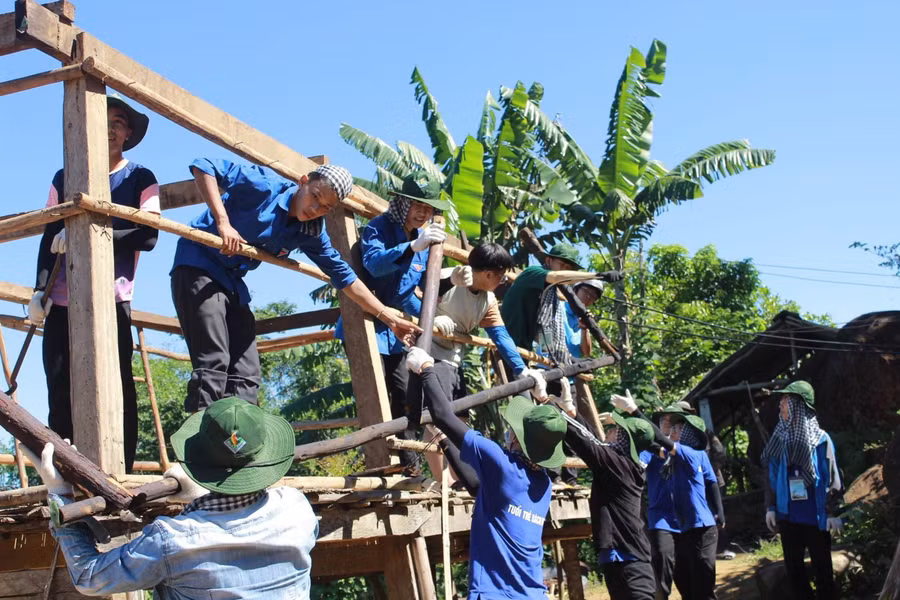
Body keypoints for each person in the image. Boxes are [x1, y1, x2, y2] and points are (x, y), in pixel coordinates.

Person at [170, 158, 421, 412]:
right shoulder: (264, 185)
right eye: (315, 197)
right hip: (198, 265)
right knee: (214, 359)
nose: (315, 209)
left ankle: (237, 432)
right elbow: (204, 165)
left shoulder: (310, 232)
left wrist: (389, 318)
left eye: (325, 207)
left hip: (233, 280)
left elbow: (345, 277)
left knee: (247, 372)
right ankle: (201, 430)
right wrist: (222, 222)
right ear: (303, 182)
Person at [24, 396, 318, 598]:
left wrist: (60, 492)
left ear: (198, 463)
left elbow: (90, 577)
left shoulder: (171, 541)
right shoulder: (297, 509)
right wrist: (203, 495)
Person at [29, 93, 160, 474]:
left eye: (118, 123)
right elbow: (49, 234)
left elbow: (148, 235)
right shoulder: (64, 177)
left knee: (118, 385)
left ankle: (121, 472)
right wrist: (38, 290)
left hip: (111, 297)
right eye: (104, 121)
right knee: (60, 388)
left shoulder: (141, 178)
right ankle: (66, 473)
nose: (110, 130)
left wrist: (87, 233)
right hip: (62, 298)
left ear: (128, 133)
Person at [406, 346, 566, 599]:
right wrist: (444, 441)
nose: (509, 432)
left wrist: (426, 368)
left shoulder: (500, 463)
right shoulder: (543, 485)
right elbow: (476, 487)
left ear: (517, 440)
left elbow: (442, 414)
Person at [334, 170, 449, 465]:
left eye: (428, 208)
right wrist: (411, 248)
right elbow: (374, 265)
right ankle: (380, 463)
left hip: (397, 333)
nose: (423, 213)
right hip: (366, 324)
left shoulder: (423, 241)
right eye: (417, 205)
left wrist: (432, 317)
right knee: (375, 394)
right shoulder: (379, 227)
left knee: (406, 394)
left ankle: (409, 463)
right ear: (402, 203)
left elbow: (406, 293)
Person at [613, 394, 724, 600]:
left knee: (701, 584)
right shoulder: (668, 452)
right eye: (666, 421)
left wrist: (634, 410)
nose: (670, 427)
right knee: (680, 575)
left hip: (697, 526)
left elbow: (711, 481)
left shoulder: (689, 454)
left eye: (676, 425)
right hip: (675, 523)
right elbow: (648, 451)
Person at [554, 384, 656, 600]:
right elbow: (594, 442)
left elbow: (587, 444)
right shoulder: (623, 463)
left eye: (615, 430)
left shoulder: (618, 466)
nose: (609, 432)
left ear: (623, 440)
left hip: (632, 563)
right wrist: (571, 411)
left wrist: (551, 404)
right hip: (619, 558)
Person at [761, 380, 843, 600]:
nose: (780, 406)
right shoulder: (778, 439)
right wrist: (771, 507)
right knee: (794, 571)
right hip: (788, 515)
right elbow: (770, 476)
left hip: (815, 516)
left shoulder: (821, 440)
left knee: (823, 569)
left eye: (785, 401)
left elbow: (831, 475)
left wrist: (833, 511)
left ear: (798, 406)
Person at [500, 241, 621, 365]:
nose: (565, 270)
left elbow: (542, 329)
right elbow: (556, 276)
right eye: (562, 265)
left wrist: (565, 358)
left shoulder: (549, 293)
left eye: (569, 268)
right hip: (506, 342)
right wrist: (597, 276)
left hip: (521, 348)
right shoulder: (533, 272)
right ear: (548, 261)